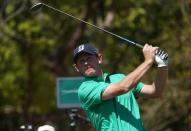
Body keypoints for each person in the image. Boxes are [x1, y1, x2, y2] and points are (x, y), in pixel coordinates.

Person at [73, 43, 168, 131]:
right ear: (76, 68)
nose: (86, 63)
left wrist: (163, 65)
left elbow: (154, 91)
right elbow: (123, 88)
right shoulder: (84, 89)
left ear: (99, 58)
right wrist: (148, 61)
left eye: (89, 58)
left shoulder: (121, 78)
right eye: (81, 61)